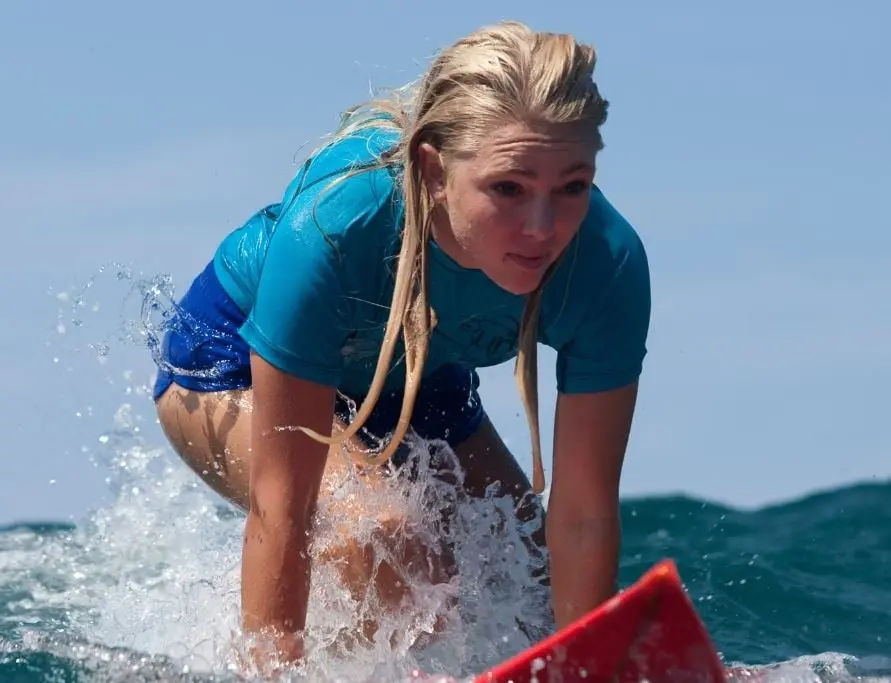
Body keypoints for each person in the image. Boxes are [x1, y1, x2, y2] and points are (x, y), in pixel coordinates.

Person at [151, 19, 651, 670]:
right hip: (226, 366)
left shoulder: (604, 265)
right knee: (383, 532)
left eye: (572, 186)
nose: (542, 227)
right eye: (507, 187)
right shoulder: (338, 225)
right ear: (433, 169)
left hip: (415, 378)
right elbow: (283, 507)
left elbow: (581, 518)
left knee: (529, 562)